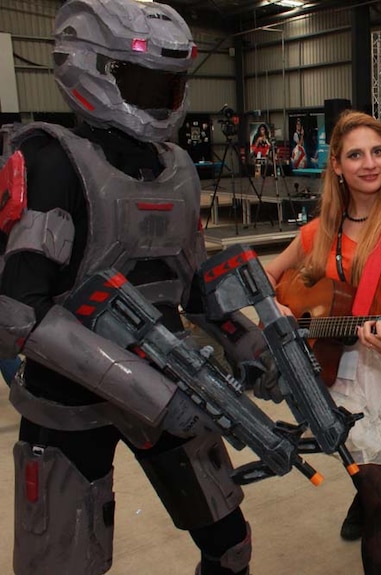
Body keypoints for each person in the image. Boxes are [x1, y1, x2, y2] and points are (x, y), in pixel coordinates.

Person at [0, 0, 275, 572]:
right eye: (144, 79)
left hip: (172, 374)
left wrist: (251, 342)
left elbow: (194, 286)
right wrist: (153, 392)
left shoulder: (177, 167)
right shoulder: (50, 158)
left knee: (231, 545)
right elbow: (19, 312)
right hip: (71, 398)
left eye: (169, 85)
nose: (159, 98)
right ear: (90, 70)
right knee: (64, 562)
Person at [264, 110, 381, 575]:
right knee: (366, 473)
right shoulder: (321, 229)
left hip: (379, 369)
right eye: (356, 154)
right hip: (326, 362)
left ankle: (364, 504)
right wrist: (276, 306)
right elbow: (265, 275)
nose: (370, 164)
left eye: (378, 152)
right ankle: (360, 499)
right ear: (337, 167)